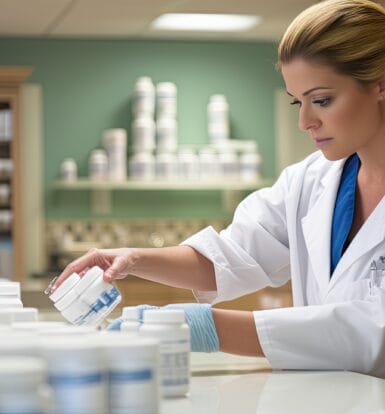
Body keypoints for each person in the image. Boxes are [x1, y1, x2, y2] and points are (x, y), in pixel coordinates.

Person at [52, 0, 385, 377]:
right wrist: (131, 258)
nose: (305, 121)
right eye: (297, 102)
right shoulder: (310, 182)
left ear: (380, 84)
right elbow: (232, 255)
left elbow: (372, 330)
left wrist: (206, 326)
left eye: (321, 100)